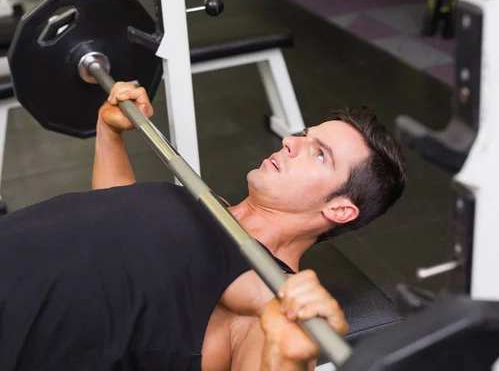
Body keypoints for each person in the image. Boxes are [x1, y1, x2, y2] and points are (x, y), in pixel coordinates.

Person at [0, 81, 407, 371]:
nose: (290, 141)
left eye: (319, 154)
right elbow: (118, 219)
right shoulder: (214, 207)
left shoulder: (267, 303)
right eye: (303, 134)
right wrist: (109, 135)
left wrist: (293, 358)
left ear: (340, 209)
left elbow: (267, 351)